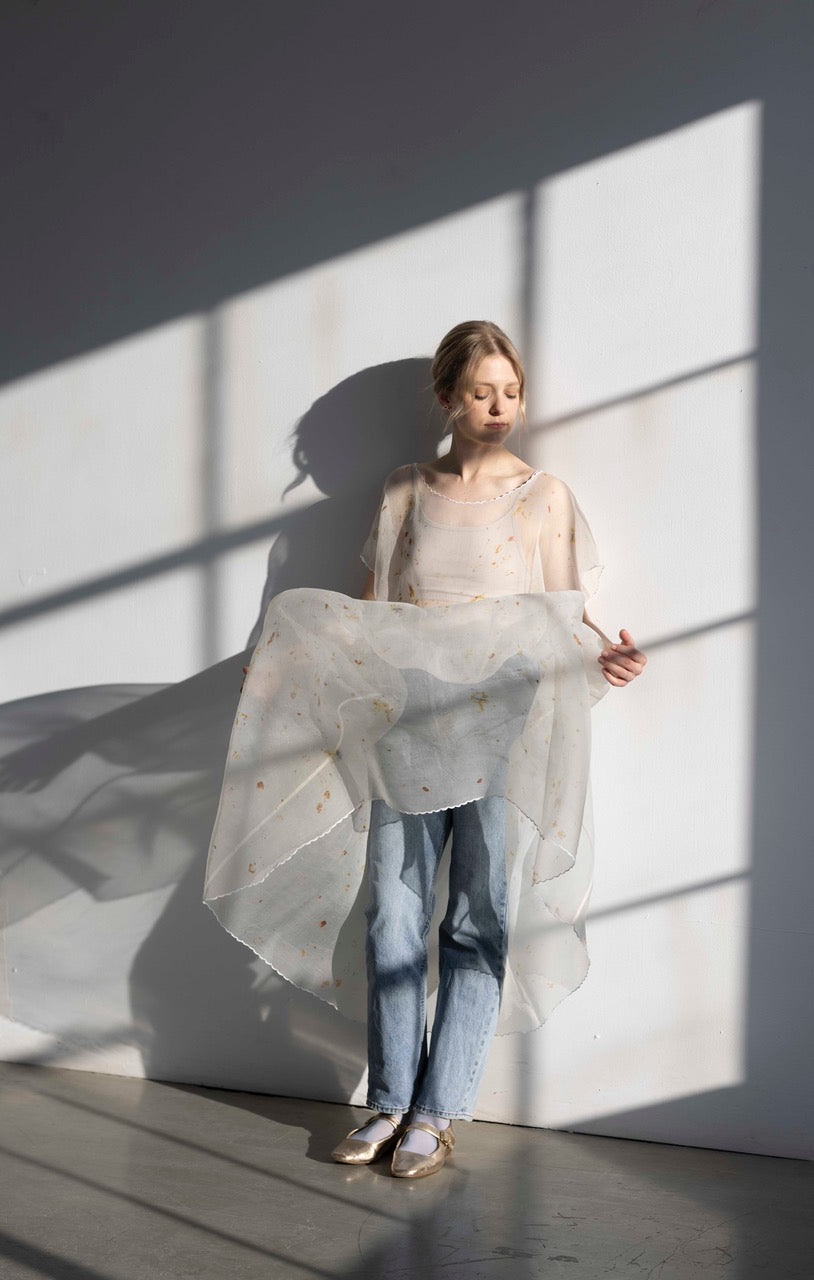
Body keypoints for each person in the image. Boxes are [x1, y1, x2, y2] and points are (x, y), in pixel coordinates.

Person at [202, 320, 647, 1181]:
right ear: (448, 397)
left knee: (477, 912)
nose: (499, 408)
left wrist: (606, 655)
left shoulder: (543, 496)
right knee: (394, 911)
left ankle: (438, 1113)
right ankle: (390, 1099)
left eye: (511, 392)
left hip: (498, 726)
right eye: (482, 392)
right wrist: (294, 661)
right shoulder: (405, 488)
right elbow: (369, 616)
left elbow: (560, 615)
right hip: (407, 724)